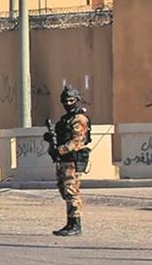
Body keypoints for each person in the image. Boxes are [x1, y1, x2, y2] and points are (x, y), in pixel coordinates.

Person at [45, 85, 92, 237]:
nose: (67, 103)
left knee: (72, 192)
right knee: (65, 191)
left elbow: (77, 141)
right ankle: (70, 222)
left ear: (77, 100)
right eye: (65, 101)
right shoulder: (66, 119)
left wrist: (60, 150)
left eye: (71, 100)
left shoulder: (79, 119)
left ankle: (76, 224)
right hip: (64, 161)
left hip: (73, 160)